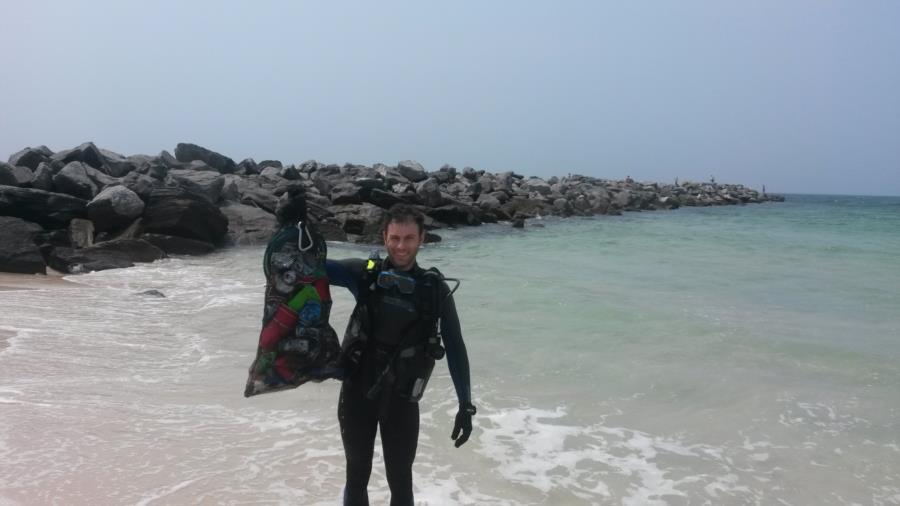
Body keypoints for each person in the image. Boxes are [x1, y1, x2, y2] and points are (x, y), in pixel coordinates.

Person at [326, 204, 475, 506]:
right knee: (356, 476)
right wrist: (294, 231)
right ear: (384, 237)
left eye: (409, 238)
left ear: (422, 238)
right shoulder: (365, 276)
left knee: (401, 481)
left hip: (402, 401)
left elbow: (456, 349)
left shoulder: (435, 291)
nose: (401, 246)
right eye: (394, 238)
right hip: (357, 394)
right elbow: (310, 267)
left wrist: (465, 404)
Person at [244, 187, 341, 397]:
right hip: (314, 316)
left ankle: (271, 375)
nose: (277, 205)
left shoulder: (288, 236)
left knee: (274, 342)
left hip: (285, 312)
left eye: (281, 201)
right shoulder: (311, 235)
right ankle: (320, 365)